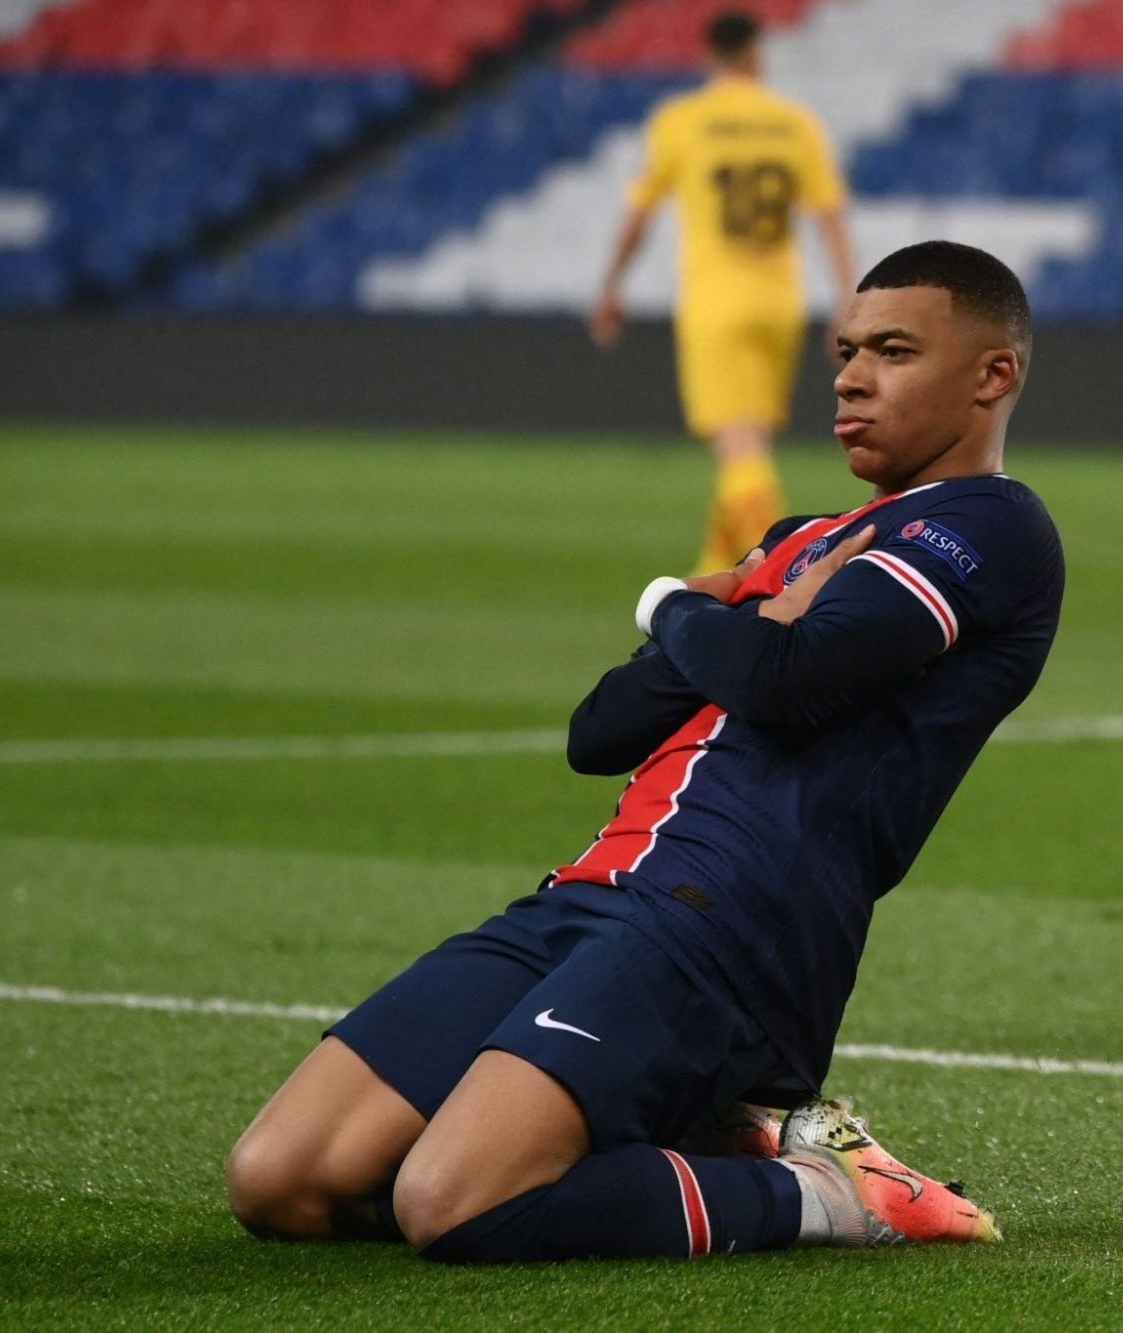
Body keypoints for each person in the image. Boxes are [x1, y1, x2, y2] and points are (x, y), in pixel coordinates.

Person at [225, 241, 1065, 1264]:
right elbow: (601, 729)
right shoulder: (799, 539)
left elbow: (783, 682)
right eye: (845, 351)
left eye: (892, 351)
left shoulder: (992, 527)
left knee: (451, 1201)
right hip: (588, 896)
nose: (850, 377)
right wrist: (752, 620)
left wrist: (674, 602)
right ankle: (686, 1131)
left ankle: (829, 1193)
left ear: (992, 374)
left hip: (729, 924)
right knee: (279, 1179)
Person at [589, 8, 855, 576]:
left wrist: (610, 285)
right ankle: (714, 572)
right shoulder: (795, 123)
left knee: (739, 449)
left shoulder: (682, 121)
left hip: (715, 304)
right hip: (779, 303)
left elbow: (640, 216)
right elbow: (830, 219)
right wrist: (846, 301)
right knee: (748, 442)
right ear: (757, 55)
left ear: (709, 56)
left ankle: (787, 573)